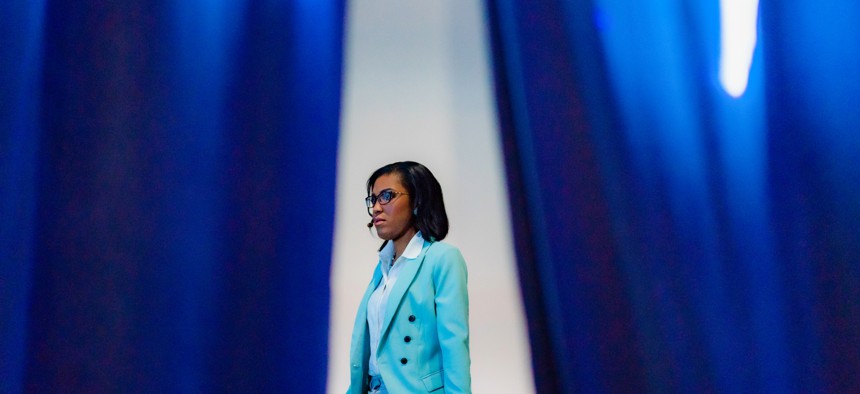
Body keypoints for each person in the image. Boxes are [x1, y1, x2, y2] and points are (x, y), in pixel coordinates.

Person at [347, 161, 471, 394]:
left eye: (386, 196)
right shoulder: (383, 267)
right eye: (373, 199)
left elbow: (455, 347)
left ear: (417, 202)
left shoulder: (442, 259)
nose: (376, 208)